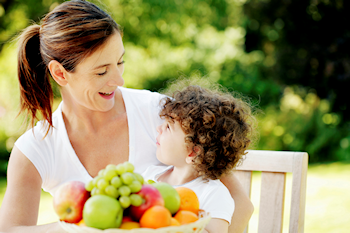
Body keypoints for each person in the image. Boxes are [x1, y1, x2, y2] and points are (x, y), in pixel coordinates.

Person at [0, 0, 253, 232]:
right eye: (102, 72)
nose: (119, 80)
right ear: (60, 74)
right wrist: (76, 227)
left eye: (120, 62)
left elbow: (240, 204)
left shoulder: (163, 116)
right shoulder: (35, 150)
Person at [142, 85, 255, 233]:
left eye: (168, 127)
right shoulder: (150, 175)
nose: (159, 128)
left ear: (192, 153)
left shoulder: (214, 195)